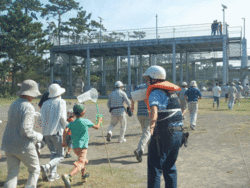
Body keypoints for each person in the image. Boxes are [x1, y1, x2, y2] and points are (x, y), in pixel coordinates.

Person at [142, 65, 184, 188]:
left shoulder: (155, 91)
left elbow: (154, 108)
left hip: (164, 133)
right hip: (178, 133)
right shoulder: (171, 92)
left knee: (155, 168)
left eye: (148, 78)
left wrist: (152, 124)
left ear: (154, 78)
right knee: (170, 167)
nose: (147, 81)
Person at [1, 79, 43, 188]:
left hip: (9, 142)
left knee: (12, 173)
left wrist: (32, 115)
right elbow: (26, 130)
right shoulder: (28, 107)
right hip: (23, 145)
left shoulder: (14, 103)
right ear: (30, 94)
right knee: (34, 170)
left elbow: (16, 119)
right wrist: (38, 136)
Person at [61, 104, 103, 187]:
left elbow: (65, 131)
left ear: (74, 113)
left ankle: (83, 176)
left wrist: (64, 142)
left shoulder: (72, 123)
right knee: (81, 162)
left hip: (75, 147)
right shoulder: (86, 121)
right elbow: (97, 127)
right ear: (83, 112)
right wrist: (99, 121)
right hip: (83, 146)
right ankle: (69, 176)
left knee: (84, 161)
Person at [39, 83, 68, 182]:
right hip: (57, 132)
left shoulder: (45, 103)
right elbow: (63, 118)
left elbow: (40, 118)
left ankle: (53, 175)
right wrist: (68, 127)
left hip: (46, 133)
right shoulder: (61, 102)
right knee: (60, 156)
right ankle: (47, 166)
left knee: (53, 153)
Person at [36, 80, 63, 156]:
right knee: (57, 135)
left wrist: (45, 113)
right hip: (55, 119)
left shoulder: (45, 94)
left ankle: (40, 144)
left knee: (48, 134)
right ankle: (60, 153)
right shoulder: (59, 96)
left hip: (45, 117)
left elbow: (40, 105)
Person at [131, 83, 151, 162]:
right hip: (148, 113)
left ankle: (150, 150)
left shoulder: (139, 86)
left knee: (145, 132)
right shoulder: (152, 86)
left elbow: (133, 97)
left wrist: (132, 106)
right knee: (147, 132)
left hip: (140, 113)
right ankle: (140, 149)